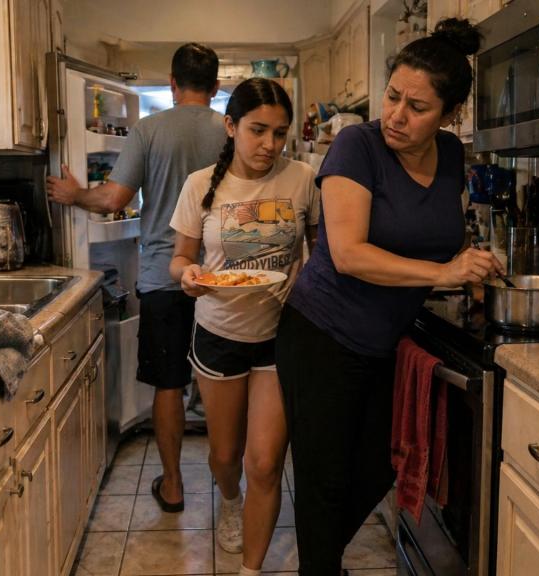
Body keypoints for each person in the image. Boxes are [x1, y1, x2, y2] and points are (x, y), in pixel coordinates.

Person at [274, 19, 504, 574]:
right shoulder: (358, 144)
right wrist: (443, 272)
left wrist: (468, 264)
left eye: (417, 107)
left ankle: (321, 560)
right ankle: (322, 568)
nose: (396, 115)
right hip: (321, 335)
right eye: (393, 96)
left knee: (380, 465)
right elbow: (349, 253)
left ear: (449, 116)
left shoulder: (451, 155)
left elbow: (435, 232)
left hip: (384, 341)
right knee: (324, 479)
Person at [47, 43, 227, 512]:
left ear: (172, 84)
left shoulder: (148, 130)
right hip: (221, 279)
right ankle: (232, 488)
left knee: (169, 383)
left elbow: (113, 200)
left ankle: (172, 486)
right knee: (227, 383)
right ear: (215, 87)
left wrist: (74, 193)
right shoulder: (231, 131)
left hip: (164, 278)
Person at [169, 78, 319, 575]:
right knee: (226, 456)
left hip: (282, 336)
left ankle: (250, 570)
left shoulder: (302, 178)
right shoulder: (199, 185)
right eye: (258, 130)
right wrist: (187, 275)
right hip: (218, 334)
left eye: (279, 133)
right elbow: (181, 258)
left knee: (264, 463)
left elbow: (320, 254)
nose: (269, 145)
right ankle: (228, 500)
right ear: (231, 126)